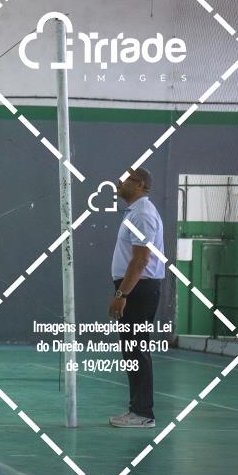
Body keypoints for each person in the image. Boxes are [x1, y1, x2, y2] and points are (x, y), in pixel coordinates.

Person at [108, 167, 164, 429]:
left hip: (138, 290)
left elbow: (141, 260)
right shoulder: (135, 212)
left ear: (139, 183)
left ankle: (143, 413)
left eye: (124, 179)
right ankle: (137, 410)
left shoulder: (142, 214)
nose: (118, 182)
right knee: (132, 349)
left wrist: (122, 293)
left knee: (136, 349)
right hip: (135, 288)